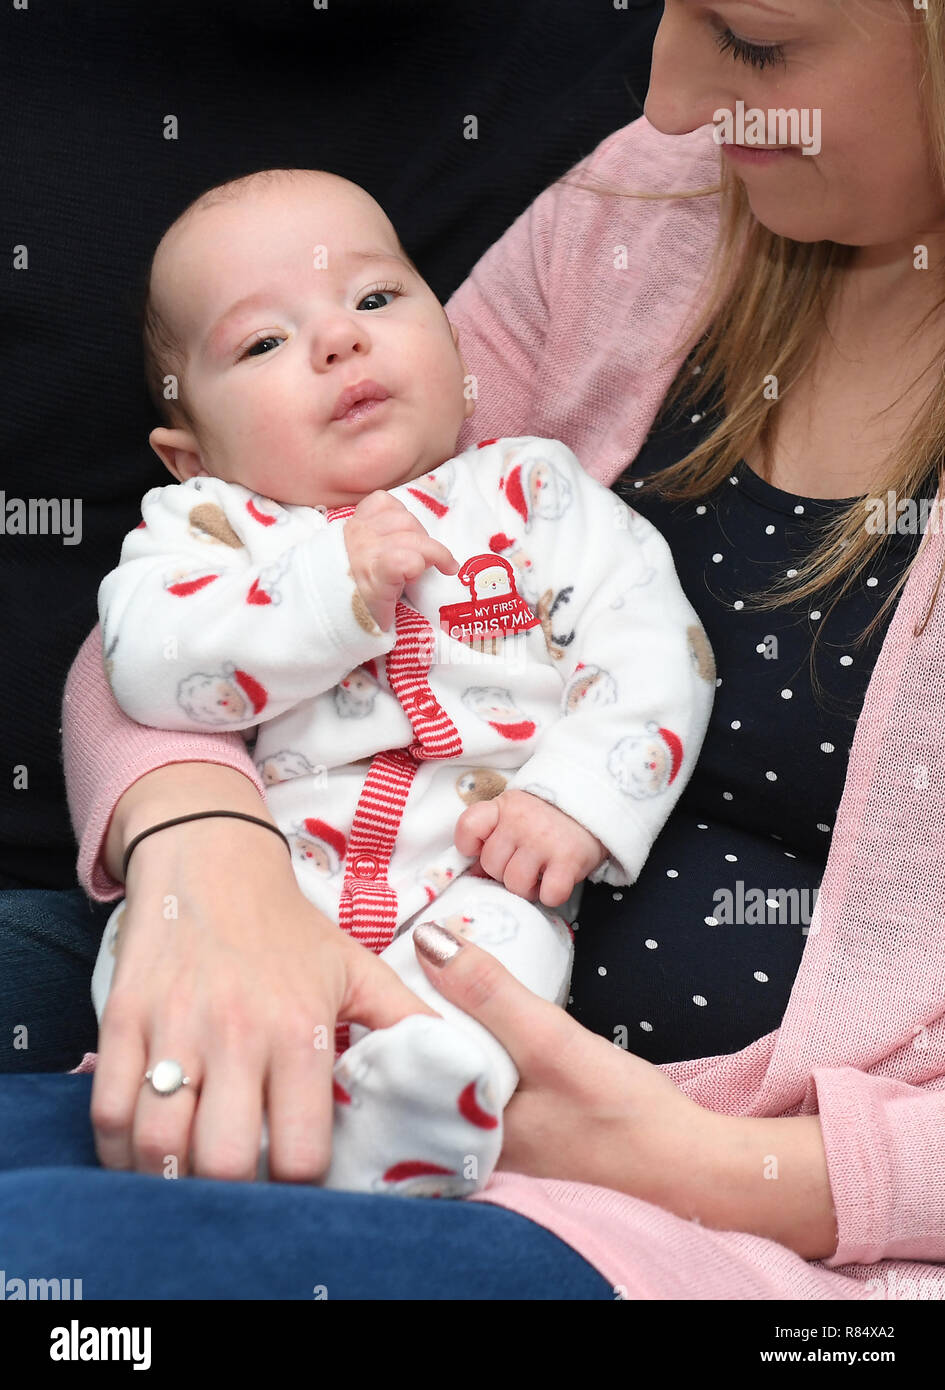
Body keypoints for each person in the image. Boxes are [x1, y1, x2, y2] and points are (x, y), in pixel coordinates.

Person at [3, 0, 945, 1299]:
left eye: (757, 43)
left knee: (49, 1262)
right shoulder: (654, 200)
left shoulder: (539, 496)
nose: (663, 96)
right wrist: (201, 844)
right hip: (259, 969)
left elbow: (647, 651)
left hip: (660, 1175)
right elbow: (147, 636)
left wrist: (709, 1164)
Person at [90, 166, 714, 1198]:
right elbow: (150, 665)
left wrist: (576, 796)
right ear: (188, 453)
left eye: (377, 299)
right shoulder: (209, 531)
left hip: (471, 873)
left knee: (500, 962)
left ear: (457, 348)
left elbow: (653, 645)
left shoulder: (533, 490)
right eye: (263, 342)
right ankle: (210, 1117)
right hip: (266, 881)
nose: (339, 340)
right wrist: (326, 594)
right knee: (152, 944)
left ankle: (408, 1116)